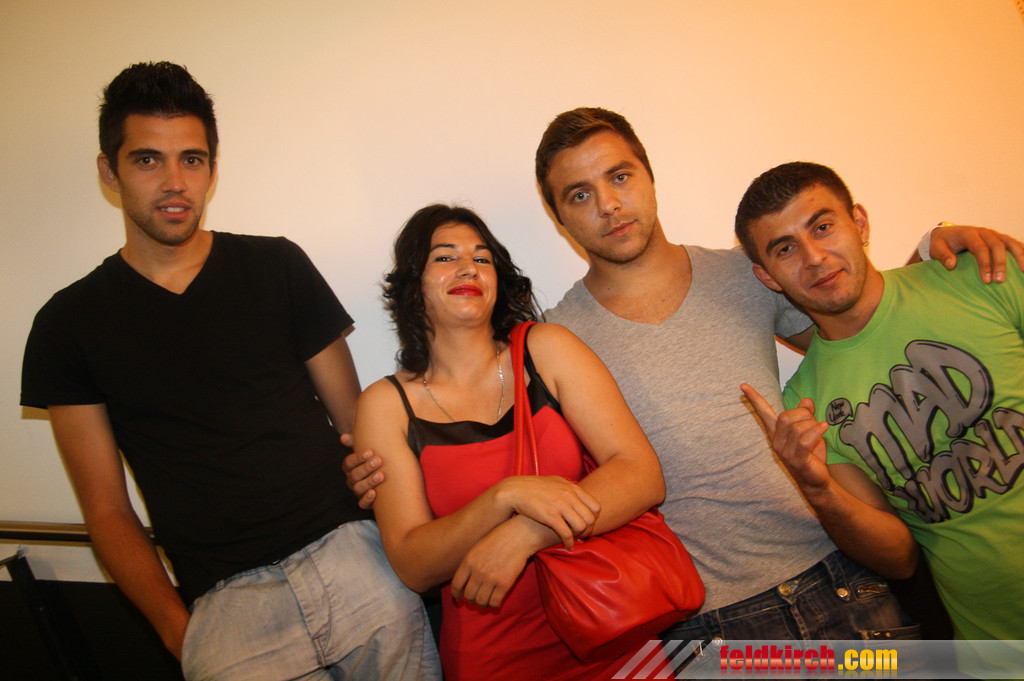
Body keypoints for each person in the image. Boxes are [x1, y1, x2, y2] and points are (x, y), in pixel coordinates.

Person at [345, 108, 1023, 643]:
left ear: (648, 176)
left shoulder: (748, 273)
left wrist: (934, 248)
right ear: (559, 218)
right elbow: (484, 426)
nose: (608, 204)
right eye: (580, 194)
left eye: (619, 177)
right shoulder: (555, 340)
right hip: (709, 624)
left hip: (842, 580)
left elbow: (858, 320)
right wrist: (371, 460)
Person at [20, 62, 440, 681]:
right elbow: (107, 510)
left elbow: (357, 425)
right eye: (147, 160)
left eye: (191, 159)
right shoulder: (68, 323)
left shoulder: (277, 265)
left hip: (356, 564)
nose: (174, 182)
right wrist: (179, 633)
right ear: (109, 171)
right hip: (229, 610)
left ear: (213, 168)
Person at [353, 204, 667, 680]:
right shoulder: (385, 404)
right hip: (493, 658)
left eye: (482, 258)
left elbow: (641, 475)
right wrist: (505, 496)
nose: (467, 268)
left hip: (612, 627)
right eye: (445, 257)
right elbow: (413, 564)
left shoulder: (547, 348)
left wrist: (526, 533)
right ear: (413, 285)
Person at [734, 161, 1024, 643]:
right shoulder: (805, 407)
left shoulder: (982, 274)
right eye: (786, 249)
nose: (814, 257)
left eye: (822, 227)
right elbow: (899, 560)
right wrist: (818, 489)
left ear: (860, 223)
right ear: (768, 277)